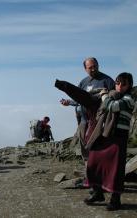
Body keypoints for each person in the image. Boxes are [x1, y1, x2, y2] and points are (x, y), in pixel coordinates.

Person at [55, 72, 134, 211]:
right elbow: (85, 98)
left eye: (124, 84)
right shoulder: (110, 95)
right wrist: (64, 86)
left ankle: (116, 200)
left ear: (129, 85)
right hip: (105, 135)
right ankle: (98, 193)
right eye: (117, 83)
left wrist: (104, 96)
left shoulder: (129, 99)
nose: (119, 86)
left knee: (116, 169)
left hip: (119, 137)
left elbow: (113, 106)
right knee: (93, 162)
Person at [59, 57, 115, 161]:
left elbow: (112, 100)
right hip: (84, 120)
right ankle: (88, 167)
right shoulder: (83, 82)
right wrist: (69, 102)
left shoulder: (107, 80)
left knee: (96, 144)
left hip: (99, 120)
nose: (93, 69)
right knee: (84, 143)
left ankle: (98, 164)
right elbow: (78, 99)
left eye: (95, 66)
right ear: (85, 69)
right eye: (90, 67)